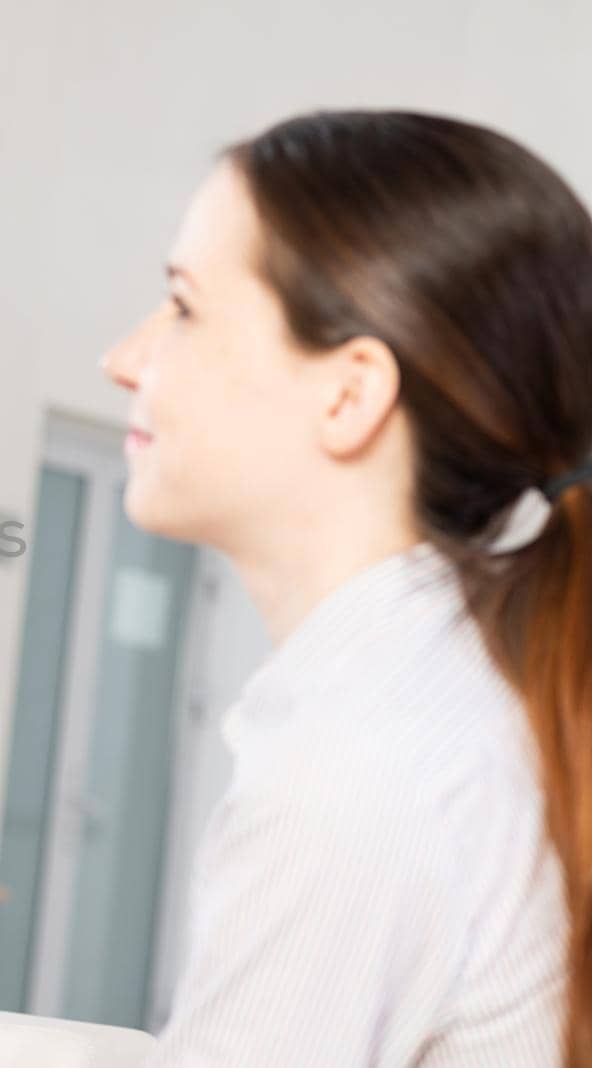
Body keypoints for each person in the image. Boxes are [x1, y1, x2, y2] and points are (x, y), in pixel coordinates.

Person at [102, 110, 591, 1066]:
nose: (124, 359)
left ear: (350, 394)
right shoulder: (456, 708)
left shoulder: (365, 770)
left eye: (186, 308)